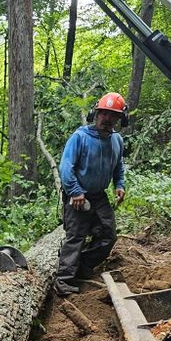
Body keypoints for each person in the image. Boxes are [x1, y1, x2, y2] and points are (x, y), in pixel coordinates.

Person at [54, 92, 127, 297]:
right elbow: (66, 167)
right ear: (96, 114)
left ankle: (82, 265)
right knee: (76, 236)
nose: (107, 119)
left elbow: (118, 165)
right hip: (78, 194)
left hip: (99, 195)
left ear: (120, 119)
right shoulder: (80, 137)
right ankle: (63, 280)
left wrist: (119, 185)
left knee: (108, 234)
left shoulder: (117, 140)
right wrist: (75, 192)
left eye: (112, 115)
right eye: (104, 113)